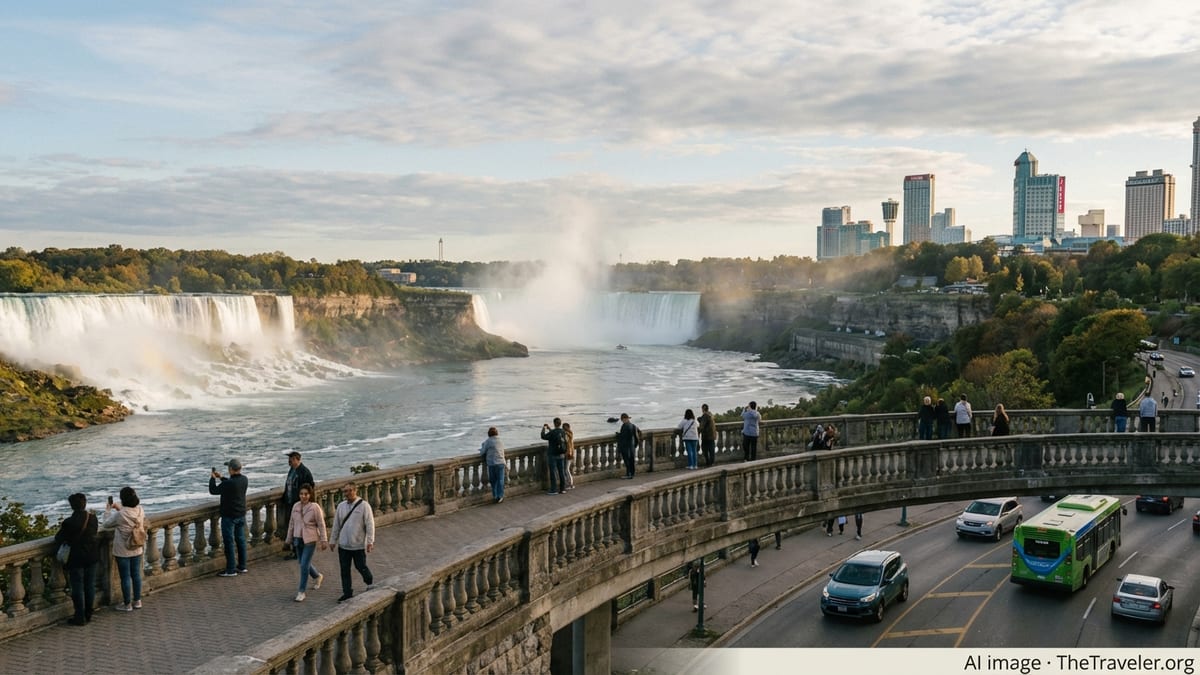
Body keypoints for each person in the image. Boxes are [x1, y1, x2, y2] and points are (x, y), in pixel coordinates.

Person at [55, 492, 98, 626]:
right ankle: (89, 613)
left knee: (77, 587)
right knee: (90, 585)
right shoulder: (93, 518)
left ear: (71, 506)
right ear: (84, 503)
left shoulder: (69, 522)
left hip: (76, 558)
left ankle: (79, 616)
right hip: (91, 555)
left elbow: (59, 538)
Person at [100, 486, 146, 611]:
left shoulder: (119, 515)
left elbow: (106, 524)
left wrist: (108, 510)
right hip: (137, 547)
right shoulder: (140, 510)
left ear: (123, 499)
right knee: (136, 575)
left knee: (125, 577)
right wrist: (118, 508)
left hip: (123, 550)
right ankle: (137, 601)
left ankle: (127, 604)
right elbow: (130, 514)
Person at [330, 482, 375, 603]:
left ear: (355, 491)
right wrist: (333, 540)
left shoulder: (364, 506)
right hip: (344, 545)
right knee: (344, 569)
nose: (348, 493)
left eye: (350, 490)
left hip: (358, 544)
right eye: (345, 491)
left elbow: (370, 525)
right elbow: (336, 525)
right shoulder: (341, 506)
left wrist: (370, 541)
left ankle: (369, 581)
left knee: (360, 566)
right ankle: (347, 592)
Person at [210, 458, 249, 577]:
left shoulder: (229, 483)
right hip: (241, 515)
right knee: (241, 541)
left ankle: (231, 569)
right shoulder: (244, 479)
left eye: (229, 468)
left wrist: (212, 478)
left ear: (231, 469)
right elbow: (232, 484)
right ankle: (242, 566)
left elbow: (213, 490)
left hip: (229, 516)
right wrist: (221, 477)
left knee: (229, 542)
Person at [287, 483, 327, 602]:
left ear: (310, 495)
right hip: (298, 538)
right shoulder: (296, 506)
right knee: (302, 562)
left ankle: (301, 591)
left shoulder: (314, 507)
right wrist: (288, 539)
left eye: (306, 494)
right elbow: (291, 524)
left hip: (310, 539)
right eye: (301, 494)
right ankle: (317, 576)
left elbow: (321, 524)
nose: (303, 496)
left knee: (304, 565)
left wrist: (324, 540)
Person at [280, 451, 314, 558]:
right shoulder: (292, 470)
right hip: (290, 503)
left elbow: (310, 488)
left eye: (291, 459)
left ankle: (298, 551)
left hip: (300, 504)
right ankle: (295, 549)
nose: (289, 461)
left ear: (296, 459)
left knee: (298, 528)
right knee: (293, 527)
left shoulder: (304, 472)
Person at [540, 418, 569, 495]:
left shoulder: (553, 432)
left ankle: (554, 489)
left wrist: (544, 428)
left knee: (553, 472)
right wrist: (549, 428)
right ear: (560, 423)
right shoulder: (563, 432)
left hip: (553, 455)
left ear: (554, 423)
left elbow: (543, 436)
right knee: (561, 472)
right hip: (561, 454)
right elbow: (564, 440)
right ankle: (563, 489)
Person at [480, 426, 507, 503]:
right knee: (500, 480)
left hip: (492, 463)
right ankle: (500, 496)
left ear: (489, 434)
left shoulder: (488, 441)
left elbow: (482, 452)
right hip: (501, 463)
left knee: (493, 481)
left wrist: (482, 448)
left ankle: (495, 496)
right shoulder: (500, 441)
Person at [615, 413, 640, 479]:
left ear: (624, 419)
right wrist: (635, 445)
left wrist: (618, 435)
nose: (622, 421)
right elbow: (638, 434)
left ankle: (628, 474)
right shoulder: (633, 425)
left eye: (622, 419)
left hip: (626, 447)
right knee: (632, 460)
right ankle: (632, 473)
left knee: (627, 461)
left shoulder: (625, 426)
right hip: (632, 446)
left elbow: (623, 436)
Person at [562, 422, 576, 490]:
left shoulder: (570, 434)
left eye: (564, 427)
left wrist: (565, 432)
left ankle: (570, 484)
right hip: (569, 453)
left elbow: (569, 437)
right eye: (563, 427)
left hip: (569, 454)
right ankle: (569, 484)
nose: (563, 428)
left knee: (566, 469)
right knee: (566, 469)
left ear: (568, 427)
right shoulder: (568, 434)